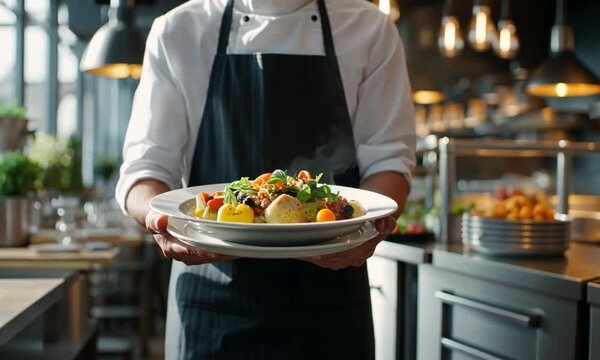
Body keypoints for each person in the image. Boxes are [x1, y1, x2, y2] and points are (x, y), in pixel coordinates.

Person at [116, 0, 416, 358]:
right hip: (210, 306)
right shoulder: (178, 30)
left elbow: (390, 161)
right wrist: (160, 220)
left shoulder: (370, 29)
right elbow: (144, 171)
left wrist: (371, 229)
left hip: (331, 307)